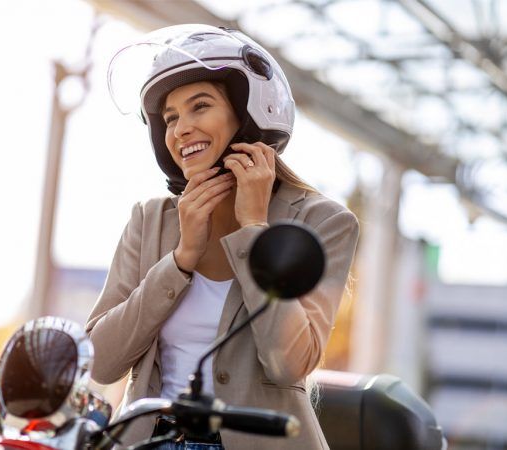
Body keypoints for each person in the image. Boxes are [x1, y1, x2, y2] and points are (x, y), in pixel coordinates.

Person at [86, 25, 359, 450]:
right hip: (147, 441)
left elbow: (289, 364)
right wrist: (180, 258)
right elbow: (100, 363)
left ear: (248, 113)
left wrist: (253, 231)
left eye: (200, 106)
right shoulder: (149, 219)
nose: (179, 130)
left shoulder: (323, 221)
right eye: (171, 117)